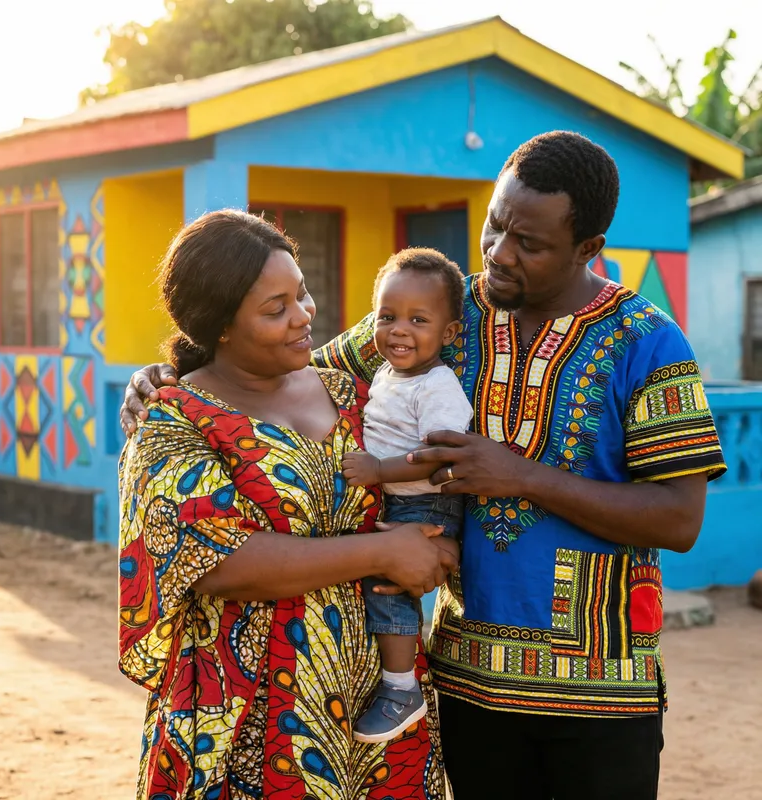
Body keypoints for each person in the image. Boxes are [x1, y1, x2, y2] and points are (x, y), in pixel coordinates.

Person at [120, 132, 727, 800]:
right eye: (495, 226)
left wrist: (522, 475)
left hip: (602, 692)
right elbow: (288, 366)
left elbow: (678, 518)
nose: (499, 253)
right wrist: (168, 375)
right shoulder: (443, 309)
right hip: (463, 681)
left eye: (530, 243)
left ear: (588, 249)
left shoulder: (648, 342)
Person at [118, 210, 457, 800]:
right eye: (276, 310)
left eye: (301, 293)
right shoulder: (175, 421)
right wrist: (386, 550)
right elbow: (220, 564)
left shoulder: (354, 387)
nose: (303, 317)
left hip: (378, 708)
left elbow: (447, 293)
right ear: (219, 325)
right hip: (245, 716)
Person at [340, 249, 473, 744]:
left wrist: (377, 468)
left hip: (426, 503)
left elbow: (441, 456)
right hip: (398, 498)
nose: (398, 330)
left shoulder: (437, 386)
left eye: (418, 320)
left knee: (387, 586)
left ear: (449, 333)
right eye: (387, 317)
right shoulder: (386, 374)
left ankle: (401, 689)